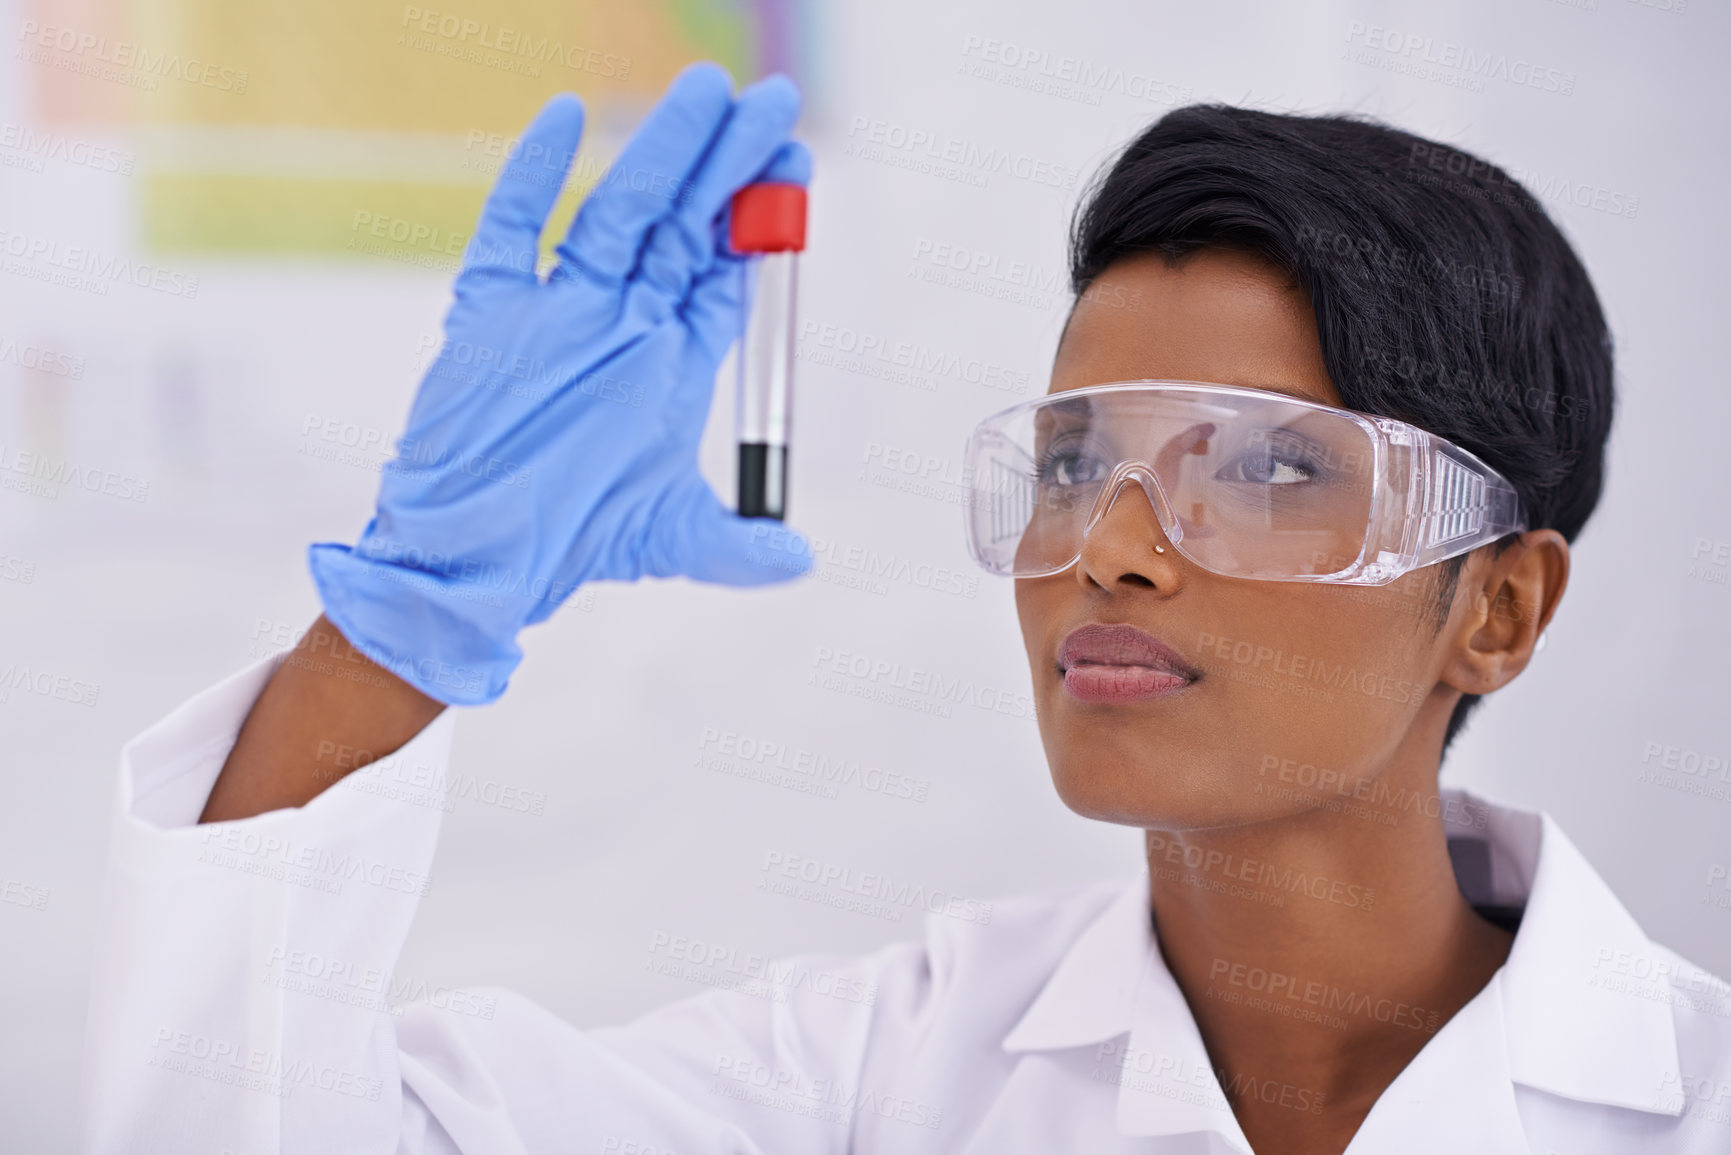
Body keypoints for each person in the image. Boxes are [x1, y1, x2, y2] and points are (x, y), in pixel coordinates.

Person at [79, 62, 1730, 1154]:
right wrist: (404, 619)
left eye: (1267, 472)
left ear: (1498, 609)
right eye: (1074, 460)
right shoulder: (871, 1079)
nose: (1113, 547)